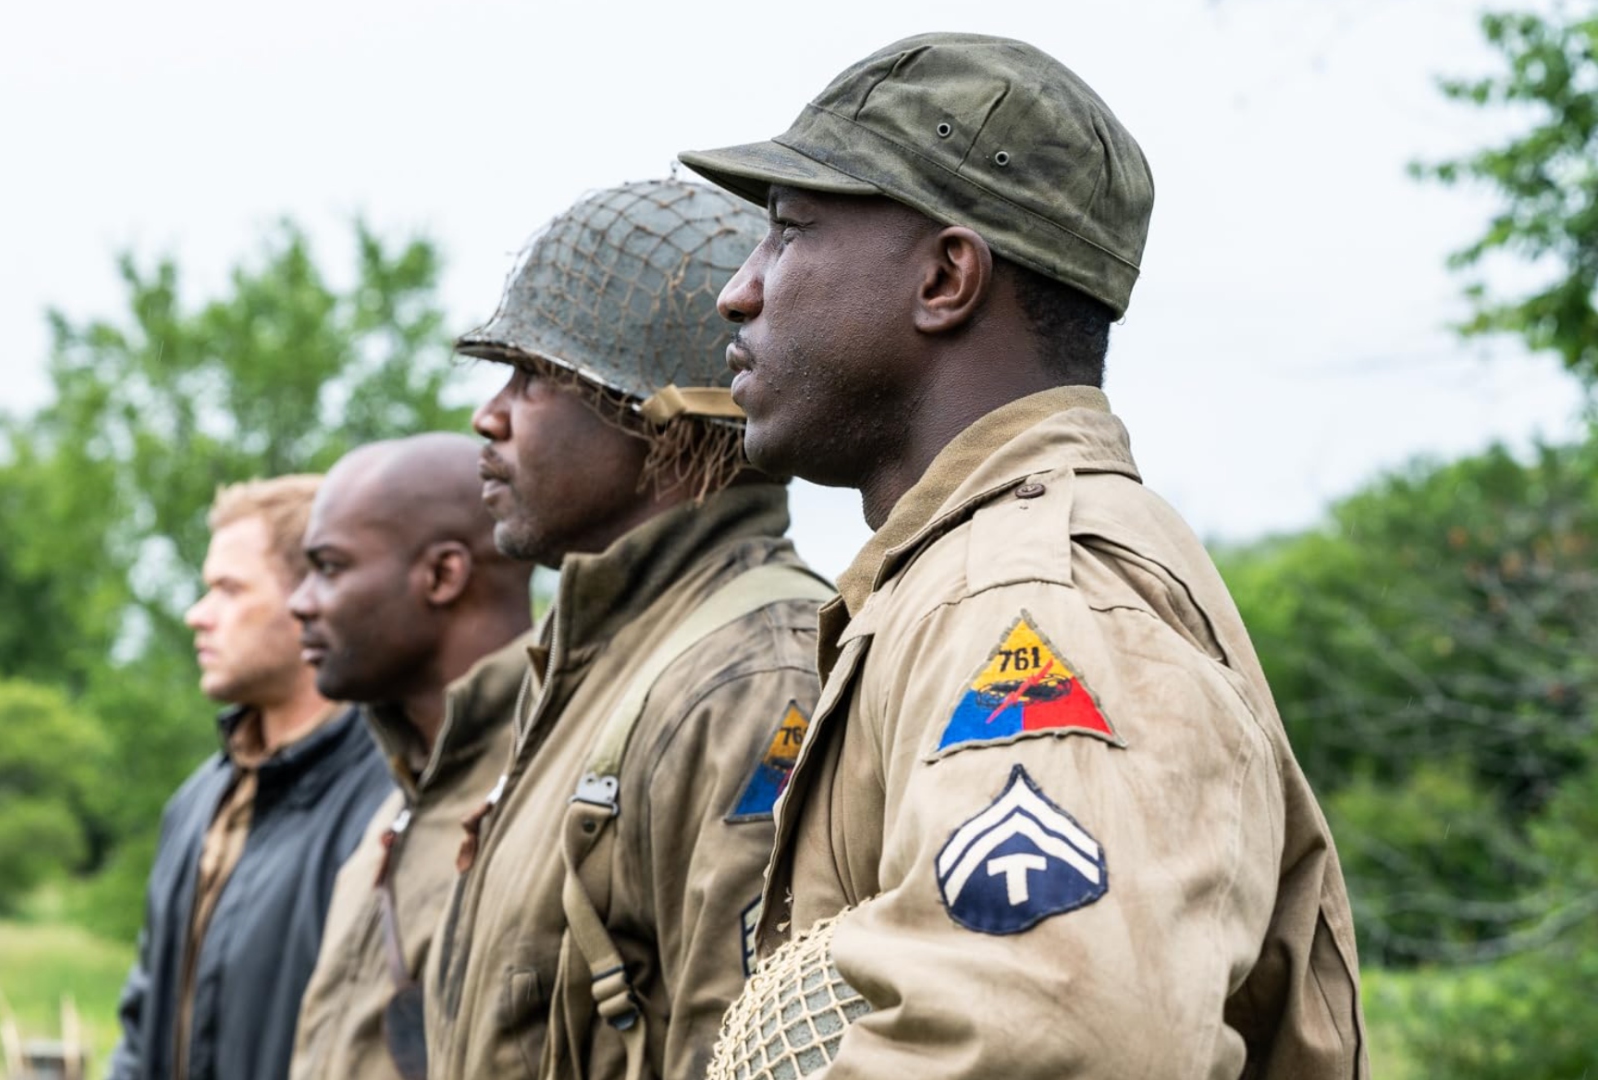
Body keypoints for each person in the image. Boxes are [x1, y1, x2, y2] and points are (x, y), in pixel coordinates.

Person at [677, 33, 1368, 1080]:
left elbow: (1062, 1037)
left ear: (947, 277)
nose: (739, 290)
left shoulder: (1033, 597)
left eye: (788, 232)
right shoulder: (970, 578)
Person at [423, 179, 833, 1080]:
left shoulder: (753, 682)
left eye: (534, 378)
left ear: (659, 424)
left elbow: (736, 1051)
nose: (487, 416)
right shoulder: (601, 656)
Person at [106, 475, 393, 1080]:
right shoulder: (196, 802)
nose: (197, 615)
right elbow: (141, 1028)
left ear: (312, 597)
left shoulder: (392, 797)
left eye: (228, 590)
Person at [286, 433, 535, 1080]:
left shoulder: (551, 788)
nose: (301, 602)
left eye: (330, 567)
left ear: (443, 575)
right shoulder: (394, 806)